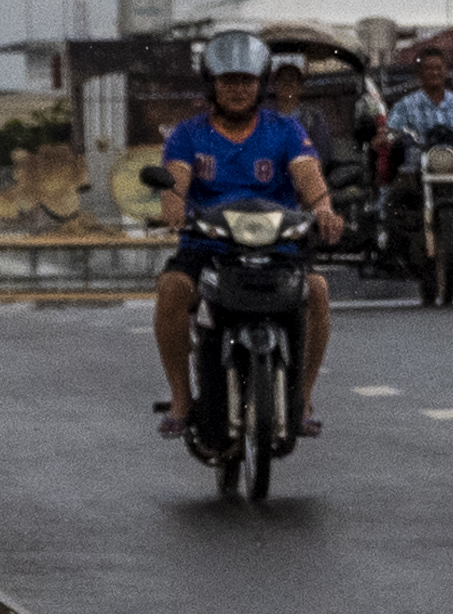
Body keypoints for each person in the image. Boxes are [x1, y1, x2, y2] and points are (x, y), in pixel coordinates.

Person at [146, 28, 342, 439]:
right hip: (207, 245)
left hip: (278, 246)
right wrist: (174, 207)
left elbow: (308, 176)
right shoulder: (187, 135)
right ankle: (181, 398)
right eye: (228, 81)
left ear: (260, 84)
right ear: (212, 85)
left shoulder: (285, 130)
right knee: (171, 289)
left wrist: (323, 209)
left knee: (318, 290)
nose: (237, 90)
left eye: (246, 81)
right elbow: (175, 184)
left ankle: (302, 398)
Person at [375, 44, 453, 278]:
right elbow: (390, 130)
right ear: (419, 73)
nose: (434, 72)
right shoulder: (406, 105)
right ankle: (390, 243)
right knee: (395, 196)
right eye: (429, 68)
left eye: (439, 68)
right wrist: (386, 137)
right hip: (416, 168)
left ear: (445, 71)